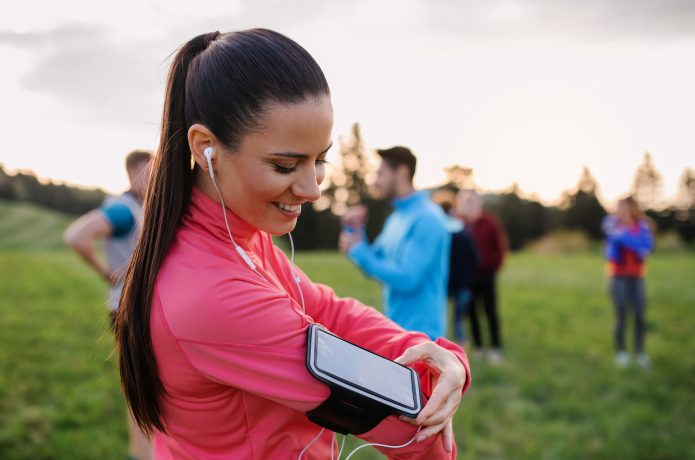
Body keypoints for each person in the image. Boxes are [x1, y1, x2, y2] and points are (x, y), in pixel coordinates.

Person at [116, 29, 470, 459]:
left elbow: (328, 310)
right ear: (206, 148)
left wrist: (440, 357)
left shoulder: (237, 234)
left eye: (319, 159)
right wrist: (440, 385)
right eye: (285, 165)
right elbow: (407, 427)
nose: (312, 188)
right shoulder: (211, 292)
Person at [64, 149, 153, 460]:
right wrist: (107, 272)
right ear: (131, 174)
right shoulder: (124, 210)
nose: (153, 178)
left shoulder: (140, 206)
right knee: (142, 391)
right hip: (128, 309)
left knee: (149, 388)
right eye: (147, 172)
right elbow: (77, 236)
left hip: (139, 307)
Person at [339, 146, 452, 340]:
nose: (375, 180)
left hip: (423, 337)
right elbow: (375, 261)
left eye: (381, 173)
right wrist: (354, 229)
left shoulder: (428, 218)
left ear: (402, 172)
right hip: (396, 330)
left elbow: (408, 278)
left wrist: (357, 251)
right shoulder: (397, 217)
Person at [602, 196, 654, 368]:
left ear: (633, 208)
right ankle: (621, 352)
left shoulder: (642, 226)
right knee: (621, 315)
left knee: (640, 315)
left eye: (625, 207)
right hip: (618, 276)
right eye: (620, 208)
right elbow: (610, 253)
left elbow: (646, 249)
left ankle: (640, 353)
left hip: (637, 276)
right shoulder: (612, 226)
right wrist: (634, 244)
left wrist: (623, 238)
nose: (622, 211)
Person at [456, 189, 507, 363]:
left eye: (471, 201)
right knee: (471, 313)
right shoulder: (459, 224)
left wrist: (494, 267)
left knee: (490, 310)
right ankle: (477, 347)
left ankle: (495, 347)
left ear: (479, 203)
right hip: (468, 277)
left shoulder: (489, 222)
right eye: (465, 201)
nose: (468, 204)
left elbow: (500, 248)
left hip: (487, 275)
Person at [436, 198, 479, 347]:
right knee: (458, 319)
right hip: (463, 282)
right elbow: (475, 258)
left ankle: (442, 345)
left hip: (445, 282)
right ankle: (460, 348)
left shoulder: (439, 233)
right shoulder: (465, 233)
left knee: (441, 315)